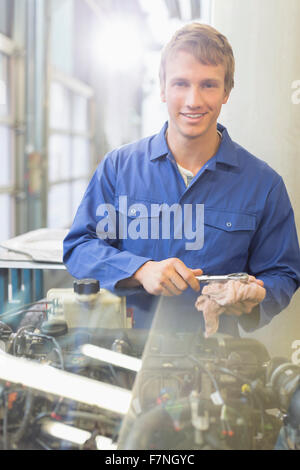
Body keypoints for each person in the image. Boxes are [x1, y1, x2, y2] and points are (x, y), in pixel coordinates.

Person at [63, 23, 300, 336]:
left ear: (227, 91)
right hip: (125, 355)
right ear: (162, 88)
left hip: (217, 361)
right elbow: (80, 246)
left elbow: (282, 272)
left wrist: (257, 296)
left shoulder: (263, 184)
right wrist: (140, 270)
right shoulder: (119, 168)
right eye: (180, 84)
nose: (193, 100)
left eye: (208, 85)